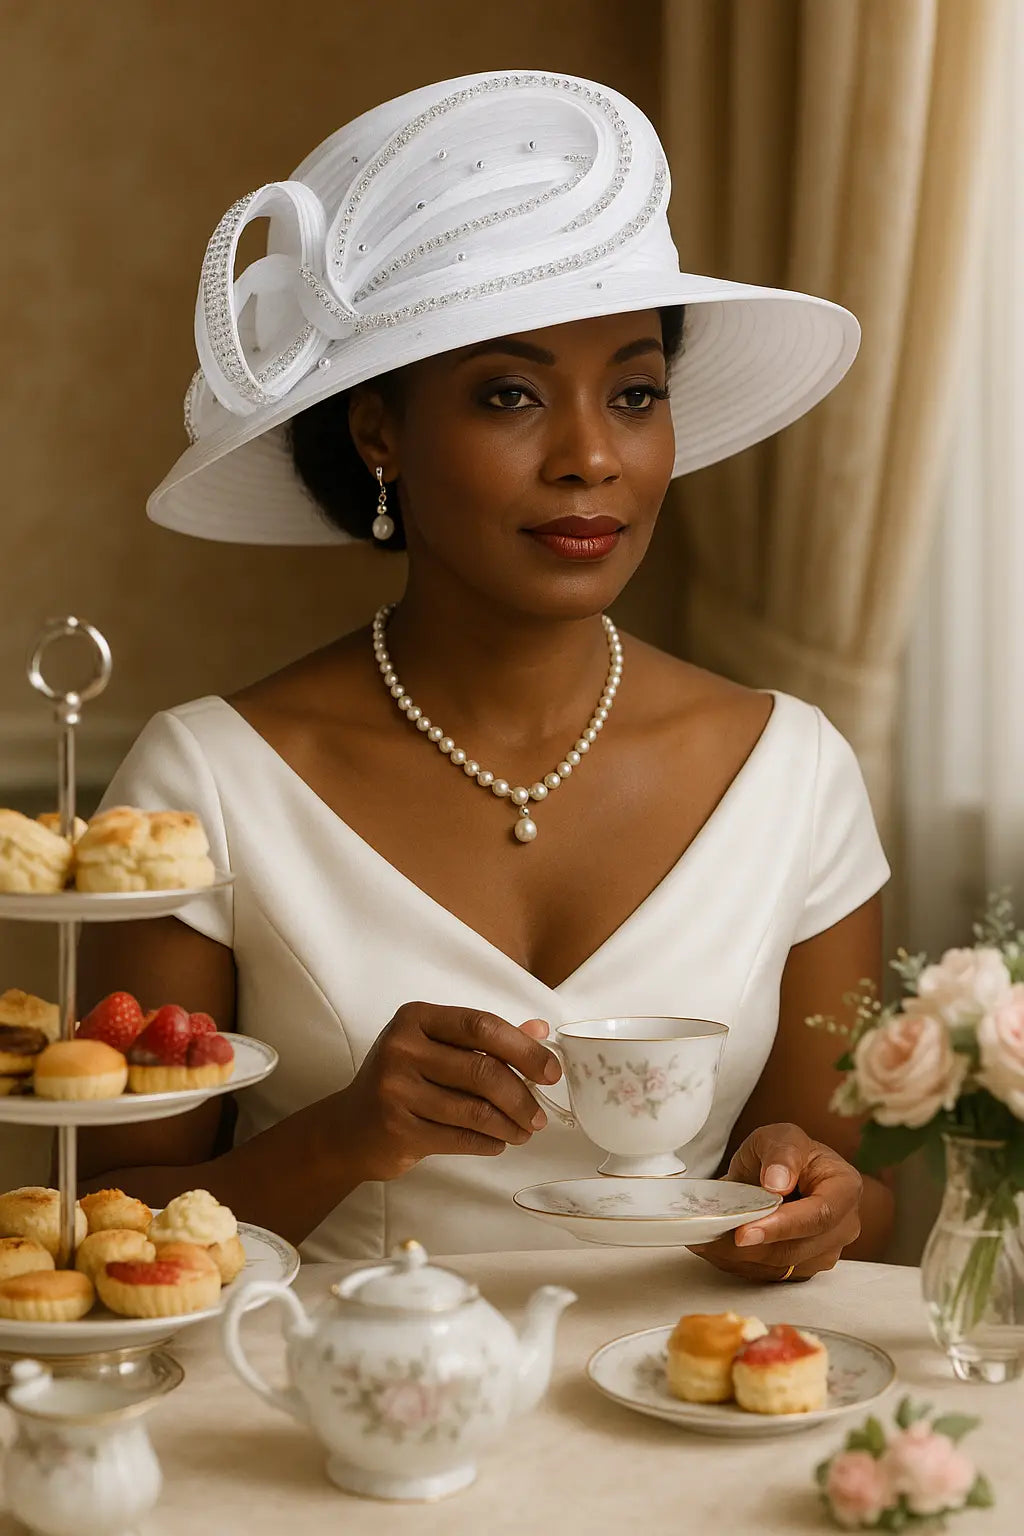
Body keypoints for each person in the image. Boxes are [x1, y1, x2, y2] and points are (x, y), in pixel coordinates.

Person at [78, 70, 893, 1279]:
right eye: (509, 394)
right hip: (323, 1439)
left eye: (633, 393)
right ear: (379, 435)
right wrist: (343, 1139)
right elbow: (98, 1230)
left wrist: (815, 1205)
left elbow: (849, 1194)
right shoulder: (204, 781)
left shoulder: (793, 771)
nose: (589, 458)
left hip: (694, 1422)